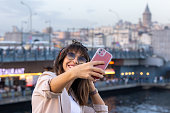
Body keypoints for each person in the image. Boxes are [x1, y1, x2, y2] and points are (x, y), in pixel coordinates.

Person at [32, 40, 108, 113]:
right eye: (71, 55)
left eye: (81, 59)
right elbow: (50, 88)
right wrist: (75, 72)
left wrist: (91, 88)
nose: (75, 61)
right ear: (62, 59)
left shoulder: (74, 98)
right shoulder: (47, 77)